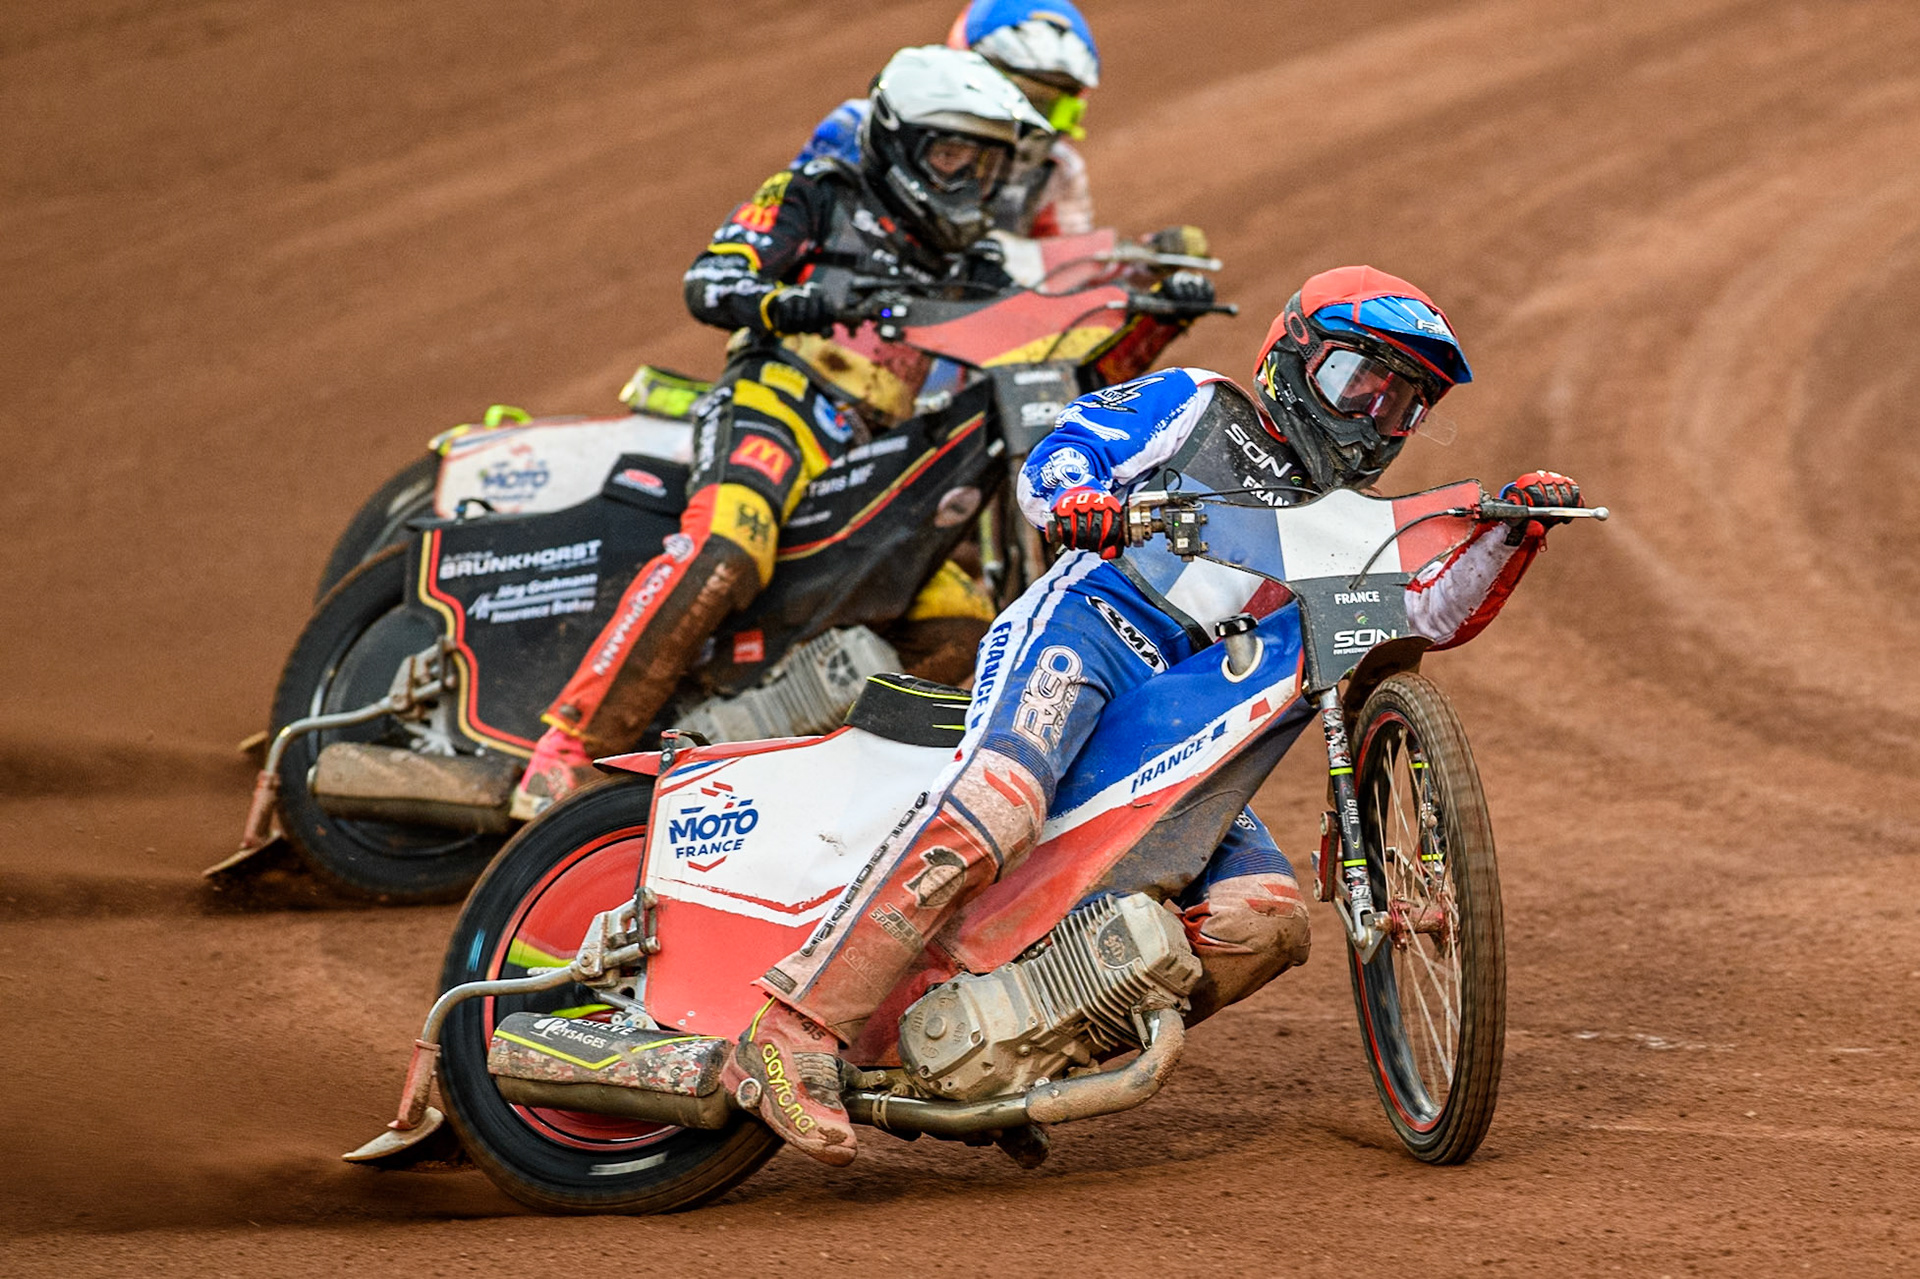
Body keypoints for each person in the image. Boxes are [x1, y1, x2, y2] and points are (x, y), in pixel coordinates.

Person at [719, 265, 1584, 1165]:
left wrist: (1512, 533)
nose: (1374, 417)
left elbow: (1426, 615)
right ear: (1295, 358)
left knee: (1268, 918)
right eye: (1358, 382)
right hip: (1086, 630)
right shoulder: (1198, 403)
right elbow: (1060, 453)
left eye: (1402, 403)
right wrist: (1081, 501)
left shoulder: (1348, 521)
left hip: (1194, 714)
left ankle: (1018, 1054)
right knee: (1001, 803)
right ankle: (791, 1029)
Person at [510, 46, 1051, 819]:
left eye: (987, 164)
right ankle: (565, 754)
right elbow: (713, 277)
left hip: (880, 451)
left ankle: (788, 784)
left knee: (960, 624)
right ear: (898, 141)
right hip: (779, 401)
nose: (970, 180)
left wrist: (1145, 306)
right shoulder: (818, 194)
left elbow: (1040, 333)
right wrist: (786, 302)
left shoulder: (974, 260)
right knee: (729, 543)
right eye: (952, 154)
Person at [794, 0, 1102, 237]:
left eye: (1050, 108)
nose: (1022, 119)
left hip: (974, 314)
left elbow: (1072, 270)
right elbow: (785, 212)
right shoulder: (869, 125)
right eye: (1009, 94)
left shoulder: (1057, 170)